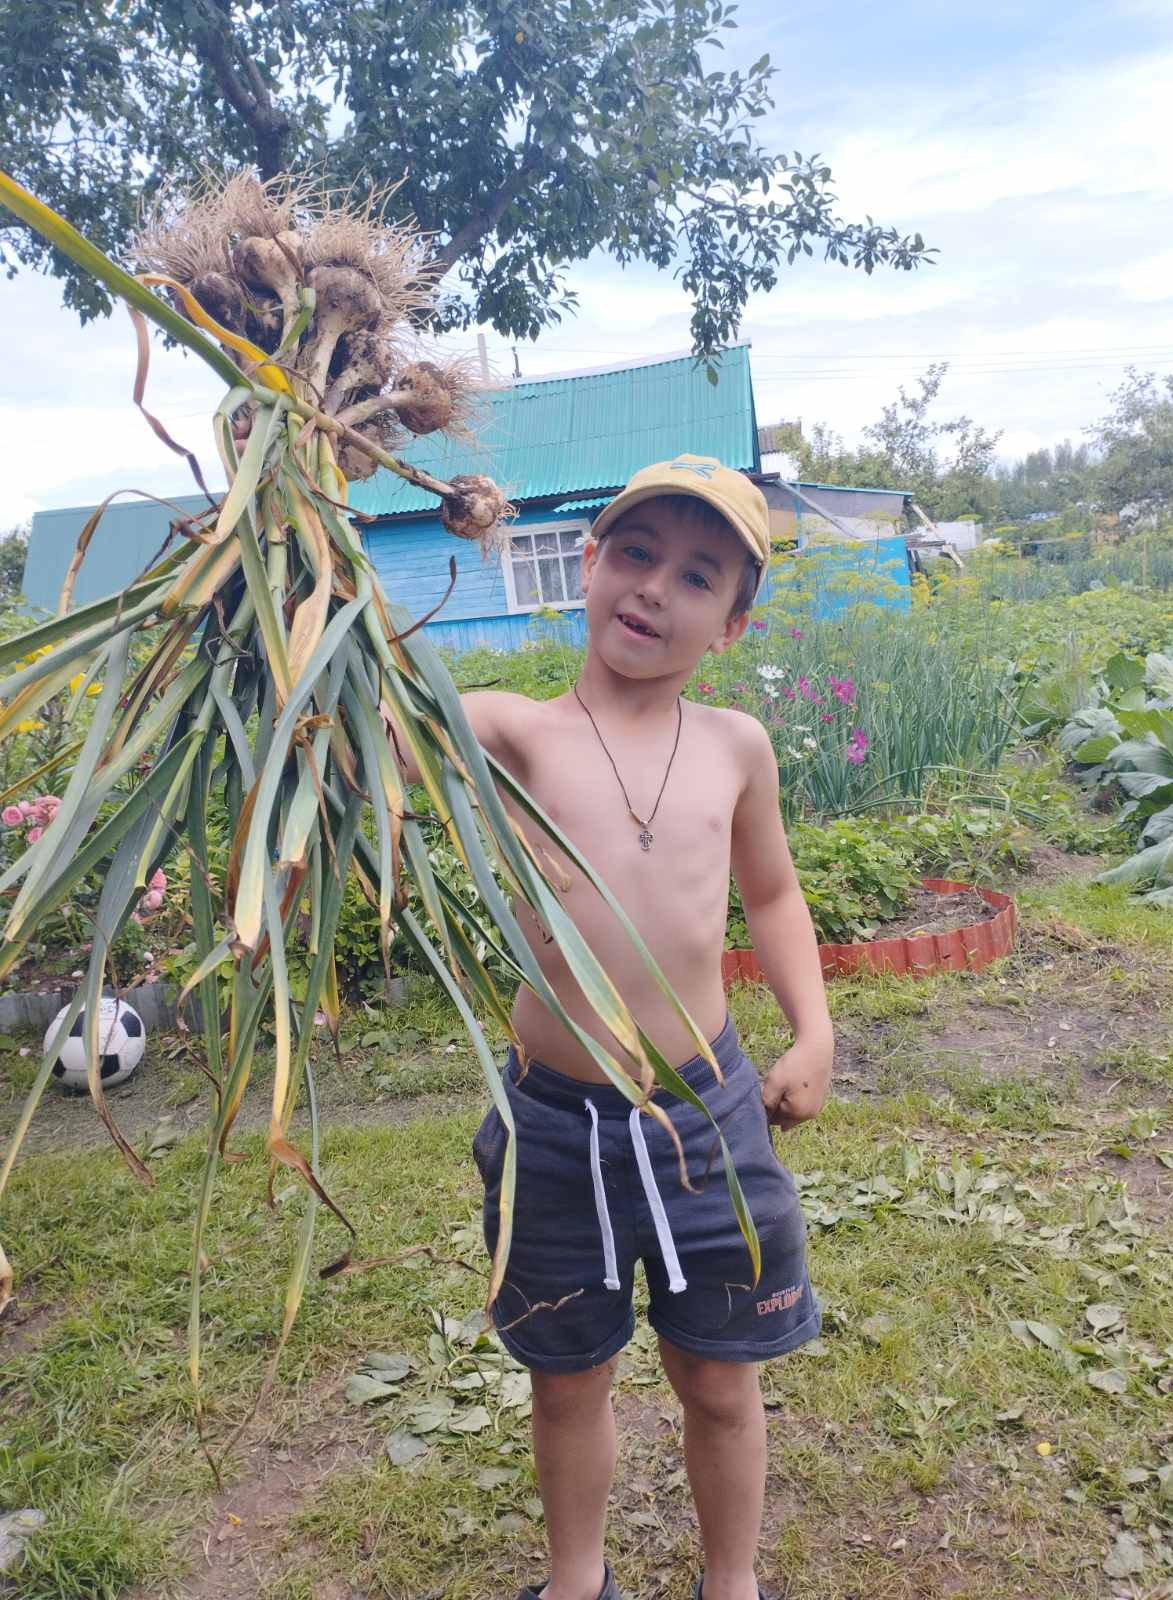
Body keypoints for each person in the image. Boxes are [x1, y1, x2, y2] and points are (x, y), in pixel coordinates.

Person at [391, 454, 833, 1600]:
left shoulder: (735, 745)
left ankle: (729, 1582)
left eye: (695, 575)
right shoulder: (511, 730)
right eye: (634, 553)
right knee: (567, 1378)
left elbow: (771, 894)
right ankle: (575, 1582)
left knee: (719, 1377)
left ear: (729, 625)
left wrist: (812, 1031)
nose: (652, 587)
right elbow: (380, 729)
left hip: (705, 1115)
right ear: (586, 565)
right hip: (553, 1126)